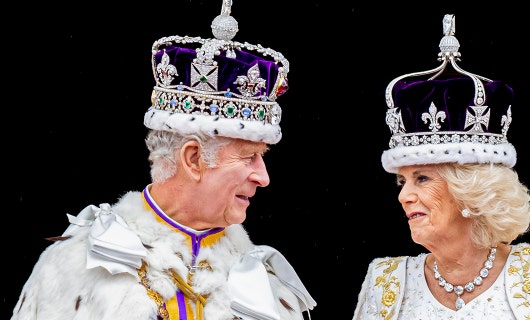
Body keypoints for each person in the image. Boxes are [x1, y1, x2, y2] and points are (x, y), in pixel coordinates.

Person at [11, 1, 316, 319]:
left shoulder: (263, 285)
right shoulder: (75, 267)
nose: (263, 177)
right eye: (249, 157)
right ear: (194, 159)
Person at [352, 14, 530, 320]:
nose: (404, 196)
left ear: (471, 189)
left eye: (422, 178)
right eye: (403, 182)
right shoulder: (384, 281)